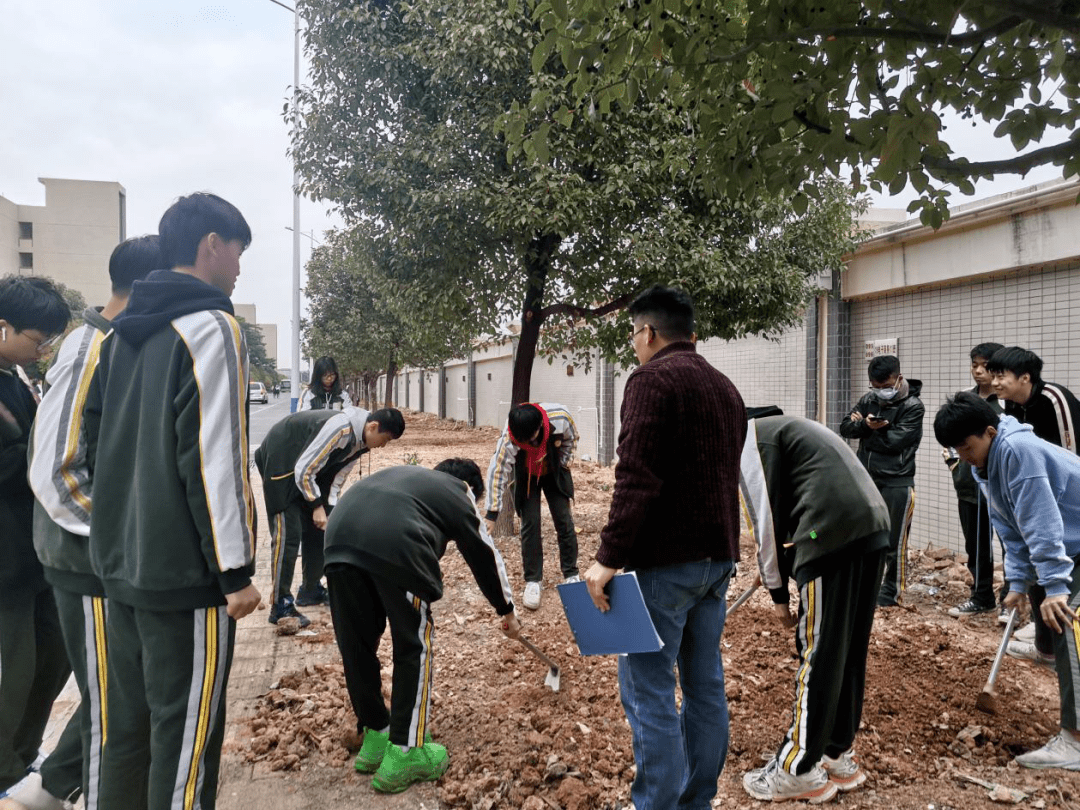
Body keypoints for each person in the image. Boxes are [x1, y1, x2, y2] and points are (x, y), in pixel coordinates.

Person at [83, 193, 261, 810]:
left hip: (117, 568)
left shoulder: (119, 337)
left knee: (125, 734)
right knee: (184, 743)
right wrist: (234, 571)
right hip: (184, 577)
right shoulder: (212, 328)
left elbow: (92, 444)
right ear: (212, 243)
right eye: (238, 250)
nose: (239, 267)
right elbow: (214, 460)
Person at [6, 237, 162, 810]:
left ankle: (42, 790)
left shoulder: (117, 345)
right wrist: (123, 539)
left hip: (98, 559)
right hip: (85, 558)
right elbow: (56, 473)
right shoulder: (90, 347)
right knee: (115, 704)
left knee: (118, 694)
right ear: (151, 285)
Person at [585, 285, 746, 810]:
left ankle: (655, 803)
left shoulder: (650, 380)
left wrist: (607, 558)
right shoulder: (725, 388)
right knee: (704, 686)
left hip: (664, 567)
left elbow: (636, 477)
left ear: (649, 332)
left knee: (649, 690)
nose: (634, 345)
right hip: (717, 558)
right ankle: (695, 800)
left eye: (634, 334)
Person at [322, 459, 521, 794]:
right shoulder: (458, 491)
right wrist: (507, 609)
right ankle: (404, 752)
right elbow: (483, 553)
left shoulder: (406, 478)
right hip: (397, 546)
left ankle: (376, 733)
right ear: (470, 489)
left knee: (357, 644)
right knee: (414, 644)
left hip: (338, 541)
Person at [739, 412, 890, 802]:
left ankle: (798, 769)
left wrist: (776, 592)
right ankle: (836, 753)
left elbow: (767, 525)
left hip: (830, 533)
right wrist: (780, 563)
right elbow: (794, 503)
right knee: (846, 648)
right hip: (870, 526)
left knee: (819, 651)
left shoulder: (747, 442)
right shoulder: (781, 429)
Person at [934, 391, 1080, 770]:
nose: (962, 457)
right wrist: (1016, 582)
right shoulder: (987, 463)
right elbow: (1011, 528)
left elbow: (1042, 523)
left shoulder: (1018, 452)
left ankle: (1075, 741)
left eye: (966, 447)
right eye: (956, 451)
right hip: (1065, 541)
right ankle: (1048, 657)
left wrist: (1059, 586)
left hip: (1073, 542)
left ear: (989, 431)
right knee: (1037, 589)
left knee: (1069, 622)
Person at [0, 276, 70, 798]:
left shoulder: (17, 377)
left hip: (36, 550)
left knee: (57, 655)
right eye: (36, 337)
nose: (42, 348)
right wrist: (41, 452)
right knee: (15, 670)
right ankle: (6, 771)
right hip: (6, 559)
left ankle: (23, 754)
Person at [254, 406, 404, 624]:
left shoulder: (360, 443)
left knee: (320, 529)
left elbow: (336, 480)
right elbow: (304, 468)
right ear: (373, 427)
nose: (384, 445)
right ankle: (280, 605)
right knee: (288, 535)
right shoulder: (341, 429)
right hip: (281, 461)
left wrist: (328, 512)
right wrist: (316, 504)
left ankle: (310, 590)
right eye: (386, 439)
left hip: (305, 473)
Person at [987, 346, 1080, 665]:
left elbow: (1071, 457)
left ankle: (1061, 644)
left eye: (1001, 375)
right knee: (1034, 557)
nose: (994, 382)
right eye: (993, 374)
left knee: (1055, 564)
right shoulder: (1010, 405)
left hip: (1066, 495)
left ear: (1025, 377)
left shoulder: (1053, 400)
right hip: (1038, 491)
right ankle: (1046, 645)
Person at [839, 355, 924, 607]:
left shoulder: (913, 406)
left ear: (898, 378)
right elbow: (845, 428)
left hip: (897, 481)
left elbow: (894, 442)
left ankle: (891, 592)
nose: (880, 392)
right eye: (874, 387)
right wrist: (867, 426)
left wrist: (866, 430)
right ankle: (867, 584)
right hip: (866, 478)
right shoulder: (869, 399)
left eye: (884, 386)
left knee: (894, 540)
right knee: (865, 534)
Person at [484, 403, 580, 610]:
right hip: (526, 474)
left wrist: (561, 464)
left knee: (564, 521)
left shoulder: (560, 418)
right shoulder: (510, 435)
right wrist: (492, 513)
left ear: (539, 427)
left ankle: (572, 574)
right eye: (523, 441)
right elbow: (498, 470)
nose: (529, 443)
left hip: (554, 469)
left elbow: (571, 440)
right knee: (530, 524)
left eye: (531, 437)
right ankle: (533, 581)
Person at [944, 342, 1004, 618]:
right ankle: (982, 596)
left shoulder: (1007, 403)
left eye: (985, 366)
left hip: (1002, 490)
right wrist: (955, 466)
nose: (979, 372)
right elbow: (949, 440)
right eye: (974, 365)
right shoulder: (964, 401)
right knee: (976, 545)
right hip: (968, 489)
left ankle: (1010, 599)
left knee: (1009, 544)